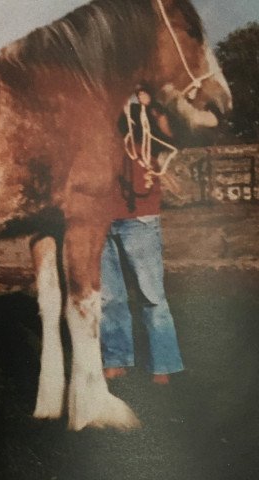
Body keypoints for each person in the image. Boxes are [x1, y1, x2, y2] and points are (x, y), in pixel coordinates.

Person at [100, 87, 184, 385]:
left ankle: (163, 363)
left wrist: (154, 106)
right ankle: (116, 359)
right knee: (109, 297)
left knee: (151, 295)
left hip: (141, 216)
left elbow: (173, 133)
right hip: (98, 219)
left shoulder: (145, 113)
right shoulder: (96, 108)